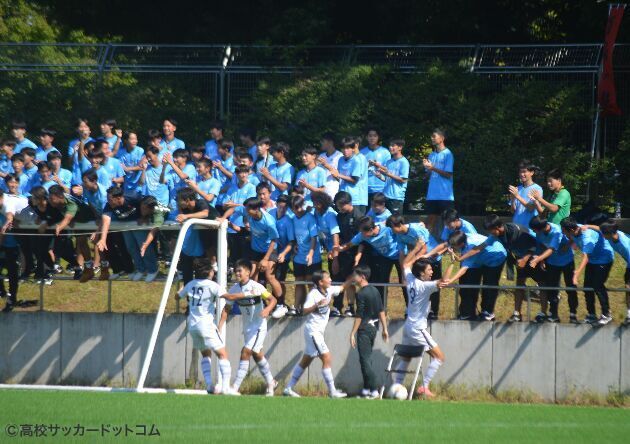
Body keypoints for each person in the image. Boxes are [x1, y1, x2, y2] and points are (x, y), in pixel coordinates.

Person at [283, 270, 350, 398]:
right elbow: (303, 311)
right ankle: (332, 391)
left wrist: (352, 278)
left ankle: (288, 388)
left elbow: (341, 288)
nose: (330, 279)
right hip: (313, 332)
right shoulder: (313, 294)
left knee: (306, 361)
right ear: (320, 282)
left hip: (317, 332)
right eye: (328, 277)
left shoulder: (329, 290)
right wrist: (316, 305)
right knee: (326, 357)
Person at [395, 253, 450, 398]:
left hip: (408, 326)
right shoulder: (425, 286)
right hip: (417, 328)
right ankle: (424, 386)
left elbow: (406, 264)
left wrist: (417, 249)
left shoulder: (411, 279)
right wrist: (451, 262)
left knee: (406, 358)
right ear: (421, 273)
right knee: (439, 357)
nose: (432, 272)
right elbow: (444, 281)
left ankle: (397, 386)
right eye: (429, 270)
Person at [176, 258, 233, 395]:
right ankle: (225, 387)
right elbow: (228, 297)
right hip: (206, 325)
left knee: (205, 353)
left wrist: (180, 289)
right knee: (223, 354)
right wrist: (243, 295)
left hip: (193, 325)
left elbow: (177, 297)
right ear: (210, 272)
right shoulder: (213, 285)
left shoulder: (191, 284)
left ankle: (209, 385)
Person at [220, 259, 277, 396]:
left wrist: (267, 310)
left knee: (245, 352)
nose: (237, 273)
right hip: (247, 327)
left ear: (248, 272)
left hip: (259, 326)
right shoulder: (234, 288)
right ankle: (271, 382)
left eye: (240, 271)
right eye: (236, 271)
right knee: (257, 355)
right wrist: (220, 325)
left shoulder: (256, 287)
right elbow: (227, 307)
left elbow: (273, 300)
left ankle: (235, 387)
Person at [483, 215, 545, 323]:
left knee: (542, 284)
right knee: (519, 285)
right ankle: (517, 314)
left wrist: (525, 260)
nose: (491, 234)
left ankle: (543, 313)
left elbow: (533, 245)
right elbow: (482, 246)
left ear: (497, 227)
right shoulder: (500, 234)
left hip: (536, 256)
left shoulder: (515, 231)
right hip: (521, 258)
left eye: (491, 231)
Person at [336, 216, 408, 306]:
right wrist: (340, 248)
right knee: (382, 283)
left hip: (400, 256)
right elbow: (350, 244)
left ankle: (409, 309)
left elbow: (402, 228)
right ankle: (381, 310)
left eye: (363, 232)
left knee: (405, 281)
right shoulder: (362, 235)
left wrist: (418, 224)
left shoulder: (387, 228)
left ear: (370, 230)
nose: (361, 234)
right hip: (385, 258)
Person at [561, 217, 614, 326]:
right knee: (587, 287)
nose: (563, 232)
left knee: (598, 285)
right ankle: (591, 314)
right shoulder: (575, 229)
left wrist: (576, 274)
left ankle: (606, 314)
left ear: (570, 230)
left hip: (603, 259)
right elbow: (573, 238)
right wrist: (569, 244)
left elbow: (586, 257)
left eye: (563, 231)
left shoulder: (587, 237)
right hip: (593, 260)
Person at [445, 231, 507, 321]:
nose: (453, 248)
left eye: (454, 246)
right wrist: (452, 254)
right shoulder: (463, 236)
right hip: (480, 257)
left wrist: (450, 281)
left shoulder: (470, 247)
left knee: (489, 284)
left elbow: (464, 269)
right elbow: (458, 260)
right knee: (470, 282)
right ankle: (468, 313)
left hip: (495, 256)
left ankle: (488, 312)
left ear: (461, 244)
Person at [349, 265, 389, 399]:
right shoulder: (375, 291)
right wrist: (384, 329)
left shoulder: (361, 293)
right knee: (366, 358)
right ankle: (366, 390)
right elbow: (381, 311)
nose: (353, 278)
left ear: (362, 277)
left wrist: (352, 333)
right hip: (373, 329)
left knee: (365, 359)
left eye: (355, 275)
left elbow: (359, 315)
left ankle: (374, 390)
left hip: (364, 330)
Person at [528, 216, 577, 323]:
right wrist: (542, 260)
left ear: (540, 228)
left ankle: (573, 314)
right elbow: (541, 246)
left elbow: (551, 249)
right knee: (552, 289)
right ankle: (553, 314)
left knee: (570, 288)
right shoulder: (539, 233)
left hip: (566, 261)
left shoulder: (556, 231)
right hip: (552, 263)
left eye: (534, 229)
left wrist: (538, 259)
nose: (533, 231)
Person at [243, 197, 287, 306]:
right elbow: (238, 209)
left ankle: (281, 304)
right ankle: (261, 302)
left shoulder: (269, 221)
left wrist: (266, 259)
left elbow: (274, 240)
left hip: (269, 249)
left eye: (248, 210)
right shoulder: (248, 213)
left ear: (256, 209)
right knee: (252, 275)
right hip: (255, 249)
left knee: (269, 276)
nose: (246, 212)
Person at [289, 195, 322, 315]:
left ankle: (312, 306)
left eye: (299, 207)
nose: (298, 210)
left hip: (312, 258)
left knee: (310, 282)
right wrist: (294, 247)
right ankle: (297, 306)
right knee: (299, 281)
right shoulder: (293, 219)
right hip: (299, 257)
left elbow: (314, 237)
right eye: (295, 207)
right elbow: (294, 238)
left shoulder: (310, 218)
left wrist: (311, 253)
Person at [332, 191, 363, 317]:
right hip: (342, 252)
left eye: (341, 205)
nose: (339, 208)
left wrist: (358, 256)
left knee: (351, 280)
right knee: (339, 279)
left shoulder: (358, 216)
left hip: (354, 252)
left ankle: (351, 307)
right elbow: (337, 235)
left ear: (348, 203)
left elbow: (362, 238)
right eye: (338, 206)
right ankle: (337, 306)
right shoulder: (340, 216)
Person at [598, 220, 630, 325]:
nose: (602, 235)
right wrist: (587, 226)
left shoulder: (624, 244)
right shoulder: (612, 236)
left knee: (628, 287)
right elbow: (598, 229)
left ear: (610, 233)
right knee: (627, 288)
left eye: (603, 233)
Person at [423, 128, 454, 231]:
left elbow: (448, 174)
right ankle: (426, 245)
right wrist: (427, 169)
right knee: (430, 222)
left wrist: (432, 168)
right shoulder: (431, 155)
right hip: (432, 195)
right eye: (431, 137)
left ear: (442, 138)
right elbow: (427, 176)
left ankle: (450, 246)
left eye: (434, 136)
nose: (432, 139)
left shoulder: (448, 154)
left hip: (445, 195)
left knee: (448, 223)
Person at [269, 195, 293, 319]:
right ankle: (272, 303)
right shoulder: (270, 214)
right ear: (276, 204)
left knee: (279, 278)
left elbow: (291, 242)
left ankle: (280, 303)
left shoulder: (288, 221)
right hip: (270, 252)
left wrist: (283, 254)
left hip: (283, 254)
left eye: (284, 208)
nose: (282, 210)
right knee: (269, 278)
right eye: (280, 206)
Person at [331, 136, 368, 216]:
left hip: (356, 199)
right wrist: (336, 176)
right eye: (343, 148)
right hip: (343, 197)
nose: (345, 151)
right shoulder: (340, 160)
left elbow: (354, 180)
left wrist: (339, 175)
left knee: (358, 224)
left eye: (348, 148)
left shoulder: (357, 160)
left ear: (353, 149)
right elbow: (341, 179)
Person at [374, 138, 409, 215]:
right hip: (386, 196)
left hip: (396, 197)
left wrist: (388, 174)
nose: (390, 147)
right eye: (390, 146)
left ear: (400, 147)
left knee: (395, 221)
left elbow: (403, 180)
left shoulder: (404, 162)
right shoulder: (389, 162)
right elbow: (387, 179)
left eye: (393, 146)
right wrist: (379, 176)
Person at [0, 190, 21, 312]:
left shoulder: (9, 207)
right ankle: (3, 294)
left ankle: (12, 298)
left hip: (12, 246)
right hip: (3, 246)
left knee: (13, 274)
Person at [509, 160, 543, 228]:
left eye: (524, 172)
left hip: (529, 229)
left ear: (532, 173)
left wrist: (517, 196)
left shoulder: (537, 189)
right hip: (516, 228)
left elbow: (531, 208)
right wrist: (512, 199)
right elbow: (513, 211)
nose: (522, 174)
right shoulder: (518, 188)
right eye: (520, 172)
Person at [360, 128, 391, 204]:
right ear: (366, 137)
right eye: (370, 136)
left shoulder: (385, 152)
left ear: (378, 137)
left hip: (381, 189)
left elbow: (389, 171)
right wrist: (368, 165)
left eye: (375, 136)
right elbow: (359, 171)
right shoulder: (362, 152)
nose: (372, 138)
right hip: (365, 189)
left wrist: (378, 166)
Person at [119, 131, 145, 199]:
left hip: (138, 186)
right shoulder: (121, 152)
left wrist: (128, 169)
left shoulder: (140, 151)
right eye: (132, 139)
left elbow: (142, 166)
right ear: (126, 140)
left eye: (136, 139)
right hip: (126, 186)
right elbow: (121, 168)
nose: (135, 141)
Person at [317, 132, 343, 200]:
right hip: (321, 194)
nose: (321, 143)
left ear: (330, 142)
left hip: (333, 193)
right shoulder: (321, 156)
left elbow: (341, 178)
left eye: (323, 141)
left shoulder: (340, 156)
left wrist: (326, 165)